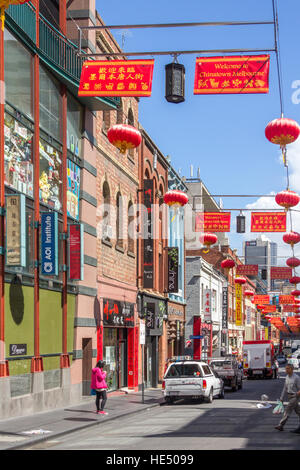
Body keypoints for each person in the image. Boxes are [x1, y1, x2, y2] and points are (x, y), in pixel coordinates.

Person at [275, 363, 300, 433]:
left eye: (287, 368)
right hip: (289, 396)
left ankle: (281, 425)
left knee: (287, 410)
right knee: (298, 411)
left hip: (295, 397)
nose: (286, 370)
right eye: (286, 368)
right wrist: (281, 398)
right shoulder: (287, 377)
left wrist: (296, 395)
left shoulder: (296, 378)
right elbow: (285, 388)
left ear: (292, 369)